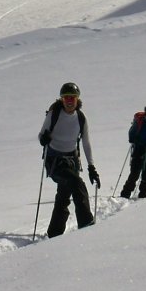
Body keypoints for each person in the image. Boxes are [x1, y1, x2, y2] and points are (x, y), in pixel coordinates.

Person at [37, 82, 98, 236]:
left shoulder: (81, 118)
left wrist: (91, 167)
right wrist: (43, 139)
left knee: (64, 196)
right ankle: (86, 224)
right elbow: (41, 135)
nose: (69, 101)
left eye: (72, 98)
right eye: (66, 98)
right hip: (54, 161)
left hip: (72, 161)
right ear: (62, 99)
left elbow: (86, 143)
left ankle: (54, 233)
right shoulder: (54, 114)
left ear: (77, 99)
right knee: (77, 183)